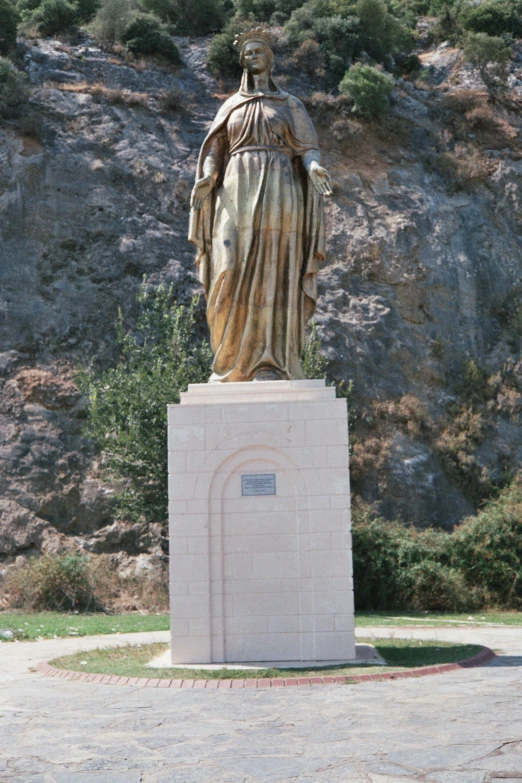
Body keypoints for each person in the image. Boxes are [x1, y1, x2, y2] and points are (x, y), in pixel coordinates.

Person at [189, 28, 332, 383]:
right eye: (247, 53)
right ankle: (230, 362)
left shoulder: (290, 105)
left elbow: (307, 147)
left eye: (258, 51)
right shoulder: (231, 106)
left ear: (269, 57)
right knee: (229, 268)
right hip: (234, 189)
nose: (252, 57)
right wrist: (208, 177)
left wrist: (314, 167)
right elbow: (215, 149)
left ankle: (271, 362)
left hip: (280, 191)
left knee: (275, 270)